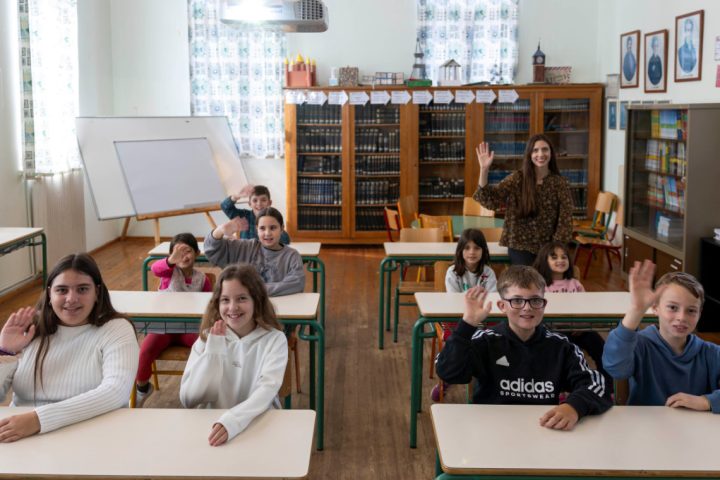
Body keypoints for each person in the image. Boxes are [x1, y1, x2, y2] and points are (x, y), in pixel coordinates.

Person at [435, 265, 612, 430]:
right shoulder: (486, 341)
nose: (527, 308)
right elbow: (447, 372)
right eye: (517, 300)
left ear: (544, 304)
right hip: (491, 429)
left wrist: (573, 407)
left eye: (535, 300)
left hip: (544, 428)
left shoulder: (561, 346)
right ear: (502, 306)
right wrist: (467, 325)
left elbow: (597, 386)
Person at [0, 253, 138, 442]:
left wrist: (39, 420)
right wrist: (5, 352)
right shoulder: (29, 328)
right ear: (50, 294)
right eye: (62, 290)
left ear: (97, 292)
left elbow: (115, 392)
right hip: (22, 436)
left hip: (94, 435)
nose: (71, 298)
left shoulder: (116, 328)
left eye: (82, 289)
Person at [179, 264, 288, 446]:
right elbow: (188, 399)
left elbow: (266, 390)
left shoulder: (274, 340)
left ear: (257, 300)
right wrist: (213, 353)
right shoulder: (207, 339)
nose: (232, 307)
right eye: (225, 300)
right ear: (217, 303)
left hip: (257, 424)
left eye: (242, 298)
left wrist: (233, 420)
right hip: (211, 429)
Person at [602, 260, 720, 413]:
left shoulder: (711, 353)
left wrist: (707, 401)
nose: (681, 317)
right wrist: (636, 310)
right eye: (672, 307)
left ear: (700, 313)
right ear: (655, 308)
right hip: (645, 425)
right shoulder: (639, 345)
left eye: (691, 310)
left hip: (694, 427)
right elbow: (615, 368)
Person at [134, 233, 212, 407]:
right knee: (145, 351)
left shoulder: (202, 279)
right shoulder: (168, 273)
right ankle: (142, 389)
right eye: (177, 252)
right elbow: (155, 269)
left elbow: (209, 304)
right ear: (171, 256)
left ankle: (201, 387)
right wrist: (171, 260)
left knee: (207, 348)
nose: (183, 256)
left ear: (197, 253)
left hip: (189, 328)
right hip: (164, 328)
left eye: (187, 251)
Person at [473, 134, 573, 266]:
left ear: (551, 153)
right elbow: (490, 200)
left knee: (545, 279)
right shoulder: (517, 178)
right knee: (525, 278)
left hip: (549, 247)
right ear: (529, 154)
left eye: (545, 149)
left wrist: (555, 248)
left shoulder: (560, 183)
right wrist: (484, 169)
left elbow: (565, 220)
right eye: (535, 150)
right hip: (519, 246)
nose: (540, 154)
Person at [533, 241, 612, 388]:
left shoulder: (575, 284)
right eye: (554, 257)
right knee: (564, 354)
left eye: (564, 257)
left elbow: (586, 308)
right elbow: (538, 314)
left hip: (579, 329)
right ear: (544, 260)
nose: (560, 260)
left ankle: (608, 385)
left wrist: (583, 324)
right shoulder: (540, 286)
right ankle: (560, 387)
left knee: (601, 348)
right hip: (553, 330)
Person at [432, 228, 498, 401]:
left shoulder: (488, 273)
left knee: (493, 341)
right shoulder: (453, 272)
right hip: (458, 320)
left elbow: (491, 298)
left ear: (483, 250)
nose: (472, 252)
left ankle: (485, 380)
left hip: (483, 319)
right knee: (459, 344)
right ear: (460, 251)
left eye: (476, 248)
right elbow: (454, 301)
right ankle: (448, 379)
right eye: (467, 248)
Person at [204, 207, 305, 296]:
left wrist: (251, 290)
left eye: (273, 228)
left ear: (282, 229)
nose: (267, 233)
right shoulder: (246, 247)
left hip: (280, 307)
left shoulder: (292, 256)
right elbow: (211, 249)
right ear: (257, 229)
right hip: (245, 308)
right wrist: (220, 230)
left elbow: (297, 283)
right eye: (262, 228)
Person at [221, 184, 291, 245]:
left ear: (269, 203)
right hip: (247, 253)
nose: (259, 203)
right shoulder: (244, 216)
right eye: (255, 200)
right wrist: (236, 196)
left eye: (263, 200)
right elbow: (225, 206)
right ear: (249, 204)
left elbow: (286, 240)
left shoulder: (274, 219)